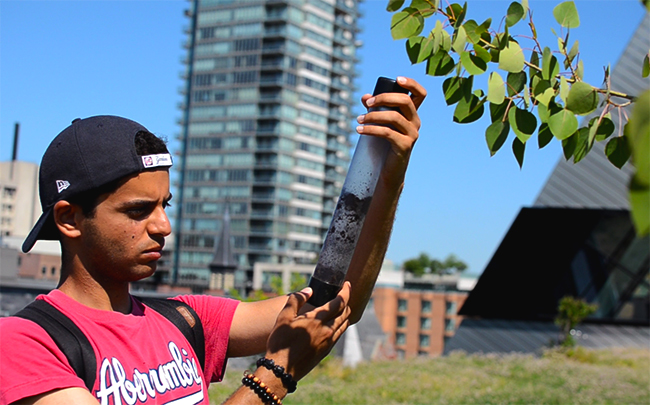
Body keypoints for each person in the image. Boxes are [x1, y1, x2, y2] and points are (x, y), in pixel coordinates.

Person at [0, 76, 426, 405]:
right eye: (137, 210)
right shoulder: (24, 344)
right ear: (69, 219)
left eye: (165, 204)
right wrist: (275, 374)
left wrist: (389, 176)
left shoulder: (185, 320)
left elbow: (335, 307)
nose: (163, 226)